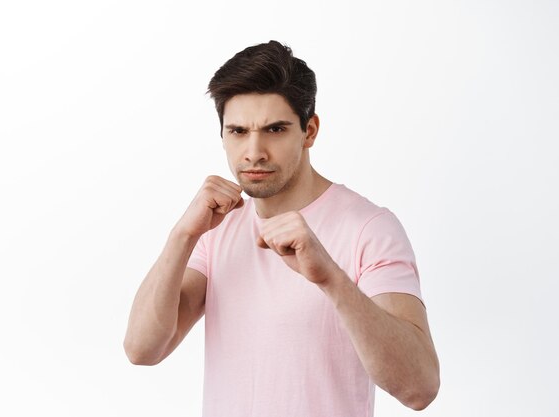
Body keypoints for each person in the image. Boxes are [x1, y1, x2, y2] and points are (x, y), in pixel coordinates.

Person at [124, 40, 440, 416]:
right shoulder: (216, 227)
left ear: (309, 131)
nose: (254, 151)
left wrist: (331, 279)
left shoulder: (369, 228)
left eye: (274, 129)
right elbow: (142, 349)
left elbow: (419, 388)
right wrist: (183, 236)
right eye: (238, 131)